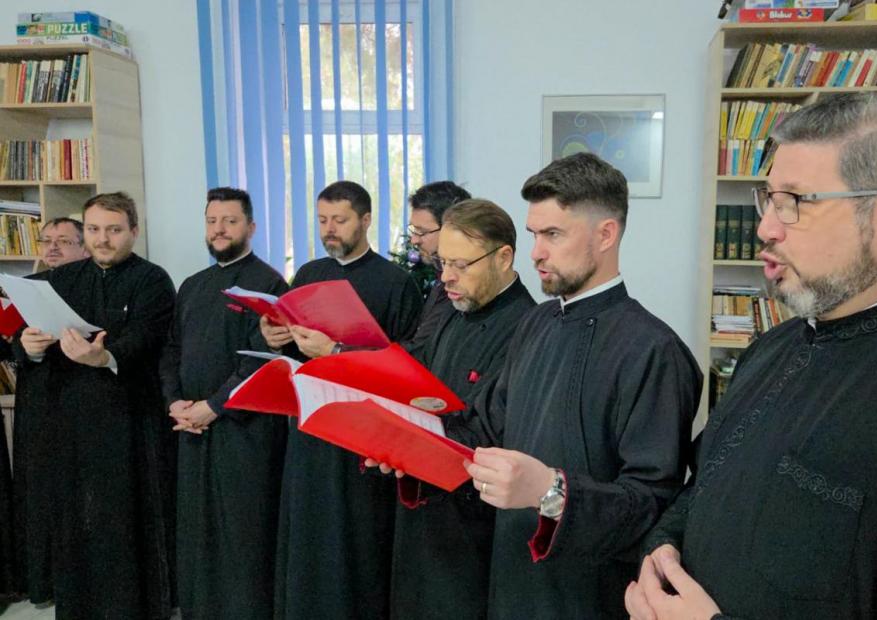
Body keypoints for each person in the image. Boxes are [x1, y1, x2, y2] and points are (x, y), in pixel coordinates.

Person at [627, 93, 877, 619]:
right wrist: (663, 548)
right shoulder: (772, 347)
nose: (766, 227)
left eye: (794, 201)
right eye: (768, 198)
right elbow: (706, 482)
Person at [425, 153, 702, 619]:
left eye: (553, 234)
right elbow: (482, 428)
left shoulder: (654, 351)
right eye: (534, 234)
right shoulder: (534, 324)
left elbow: (652, 506)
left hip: (588, 597)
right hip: (510, 580)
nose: (535, 252)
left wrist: (550, 491)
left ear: (605, 235)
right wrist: (407, 442)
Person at [263, 180, 422, 619]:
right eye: (322, 220)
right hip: (311, 425)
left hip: (364, 433)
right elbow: (294, 343)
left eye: (339, 220)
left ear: (366, 220)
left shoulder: (397, 282)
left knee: (356, 539)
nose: (328, 229)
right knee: (308, 531)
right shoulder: (309, 274)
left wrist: (336, 351)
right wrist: (274, 336)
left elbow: (406, 361)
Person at [15, 192, 177, 619]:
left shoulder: (153, 280)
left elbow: (147, 338)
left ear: (133, 231)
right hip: (69, 421)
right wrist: (29, 346)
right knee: (73, 521)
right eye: (93, 229)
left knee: (125, 521)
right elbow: (29, 336)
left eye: (113, 230)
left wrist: (105, 357)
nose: (103, 239)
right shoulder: (62, 279)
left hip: (129, 421)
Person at [389, 199, 536, 619]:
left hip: (473, 525)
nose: (446, 277)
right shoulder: (454, 310)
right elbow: (421, 387)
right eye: (443, 263)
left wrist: (406, 441)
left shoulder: (527, 326)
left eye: (460, 265)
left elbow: (488, 429)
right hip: (422, 508)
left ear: (503, 257)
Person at [160, 187, 288, 620]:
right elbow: (171, 350)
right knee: (196, 529)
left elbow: (263, 361)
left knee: (242, 532)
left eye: (230, 221)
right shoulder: (192, 285)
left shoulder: (269, 284)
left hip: (244, 431)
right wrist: (174, 402)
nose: (219, 229)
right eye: (212, 221)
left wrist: (214, 406)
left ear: (250, 227)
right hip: (191, 427)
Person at [5, 217, 87, 605]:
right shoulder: (25, 288)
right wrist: (25, 347)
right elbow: (8, 347)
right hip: (37, 401)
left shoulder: (94, 285)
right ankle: (41, 581)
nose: (52, 247)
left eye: (64, 241)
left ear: (84, 248)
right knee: (38, 492)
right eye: (46, 240)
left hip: (80, 401)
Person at [400, 181, 472, 359]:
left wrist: (340, 350)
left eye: (422, 232)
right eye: (413, 230)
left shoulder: (462, 285)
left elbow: (420, 351)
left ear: (452, 229)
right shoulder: (440, 275)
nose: (414, 240)